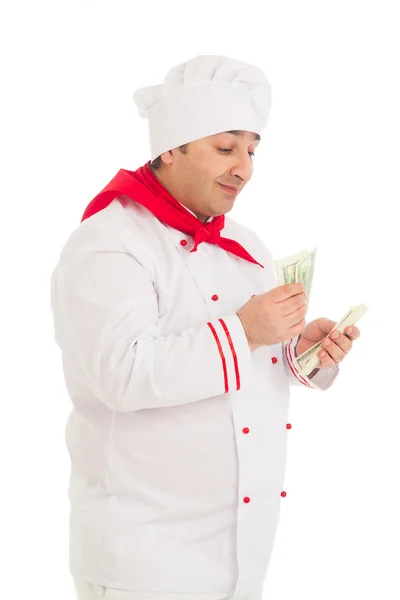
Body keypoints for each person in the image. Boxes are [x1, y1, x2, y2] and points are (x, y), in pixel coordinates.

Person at [50, 55, 361, 600]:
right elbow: (121, 375)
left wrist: (299, 354)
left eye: (252, 150)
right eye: (226, 148)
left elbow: (247, 363)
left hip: (239, 557)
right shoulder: (109, 243)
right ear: (171, 147)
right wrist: (246, 331)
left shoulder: (246, 246)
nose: (244, 167)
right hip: (143, 565)